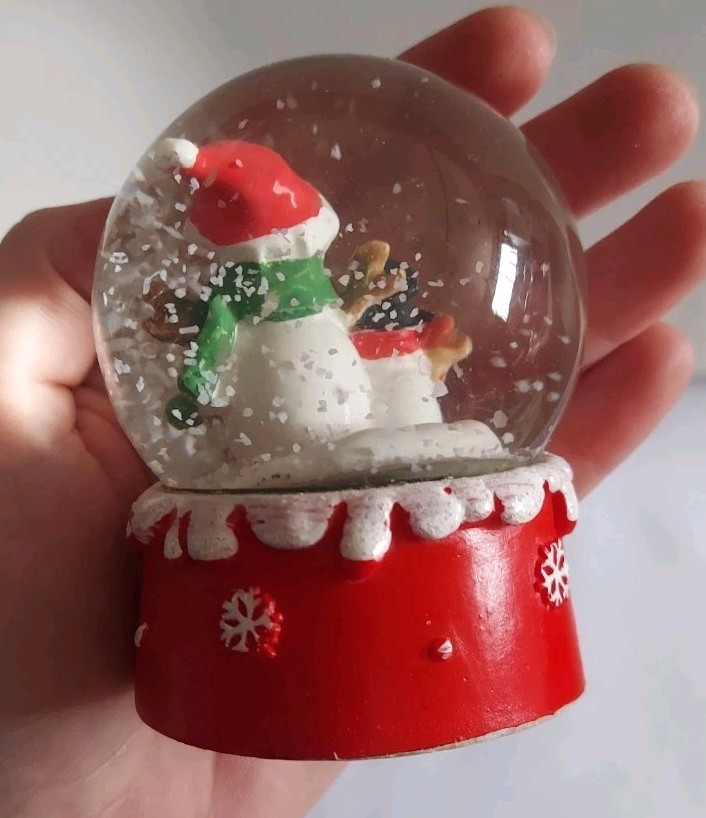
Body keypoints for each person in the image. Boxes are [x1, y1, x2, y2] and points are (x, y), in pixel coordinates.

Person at [0, 5, 703, 817]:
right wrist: (195, 388)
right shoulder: (258, 280)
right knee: (314, 420)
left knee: (365, 395)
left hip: (321, 392)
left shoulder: (262, 281)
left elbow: (225, 343)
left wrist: (199, 389)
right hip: (290, 410)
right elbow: (219, 340)